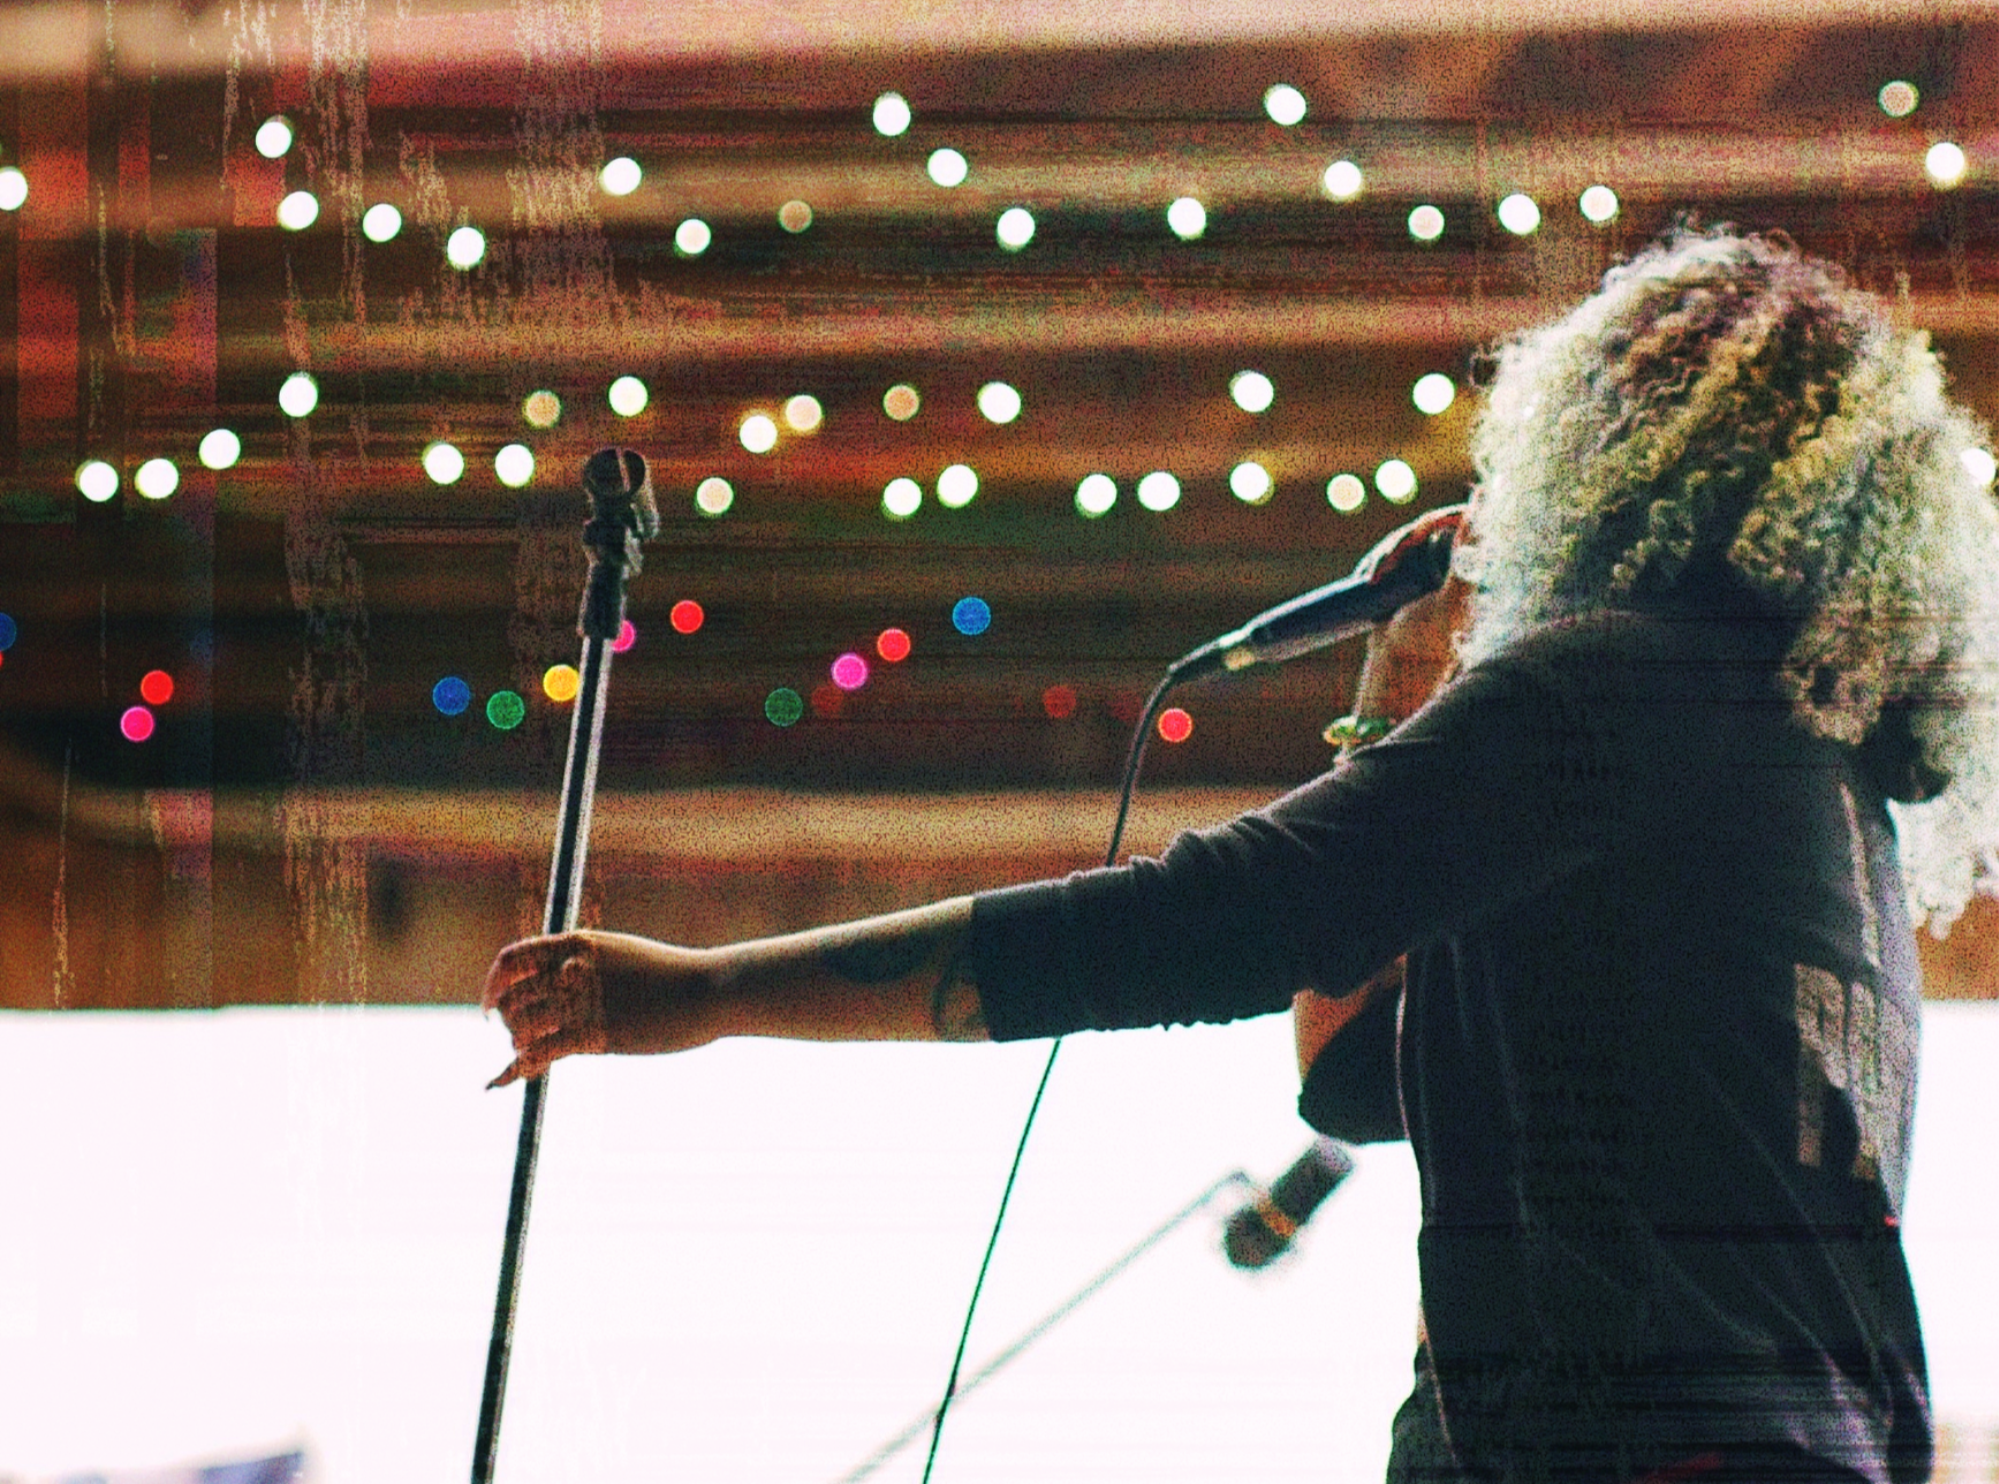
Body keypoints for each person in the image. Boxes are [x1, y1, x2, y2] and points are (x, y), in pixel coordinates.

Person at [483, 227, 1999, 1483]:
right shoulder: (1802, 782)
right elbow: (1352, 1069)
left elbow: (1226, 918)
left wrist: (706, 992)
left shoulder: (1619, 684)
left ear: (1613, 449)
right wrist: (1400, 669)